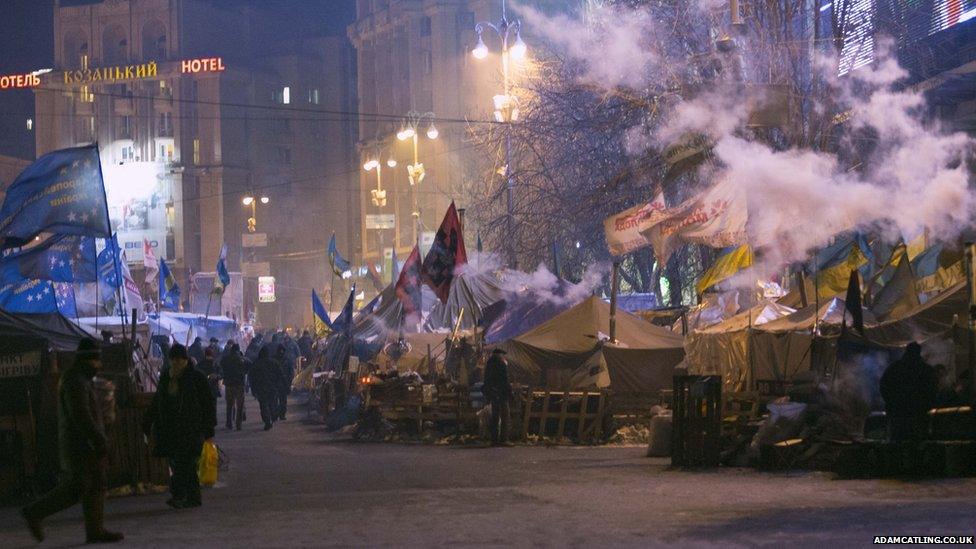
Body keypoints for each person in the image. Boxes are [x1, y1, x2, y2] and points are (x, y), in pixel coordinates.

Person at [21, 339, 123, 544]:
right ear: (89, 360)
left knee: (95, 485)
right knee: (79, 486)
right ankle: (34, 512)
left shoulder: (81, 379)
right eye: (97, 361)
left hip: (84, 443)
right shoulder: (75, 381)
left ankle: (95, 530)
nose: (99, 366)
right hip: (80, 445)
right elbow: (82, 416)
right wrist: (99, 440)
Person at [142, 344, 216, 509]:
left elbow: (207, 404)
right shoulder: (167, 379)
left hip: (192, 429)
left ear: (185, 360)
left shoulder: (196, 378)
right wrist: (147, 422)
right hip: (171, 430)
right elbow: (157, 402)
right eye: (173, 359)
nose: (176, 363)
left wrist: (209, 429)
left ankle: (179, 495)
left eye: (179, 360)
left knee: (185, 464)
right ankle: (192, 498)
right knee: (182, 465)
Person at [880, 342, 937, 442]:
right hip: (919, 413)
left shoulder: (894, 368)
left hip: (897, 413)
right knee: (919, 443)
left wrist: (891, 403)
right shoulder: (926, 369)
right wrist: (926, 405)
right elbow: (932, 390)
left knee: (898, 442)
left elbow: (884, 387)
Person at [483, 348, 514, 446]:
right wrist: (510, 392)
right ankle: (504, 439)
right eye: (502, 354)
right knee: (505, 416)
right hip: (501, 394)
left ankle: (494, 439)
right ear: (499, 354)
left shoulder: (489, 364)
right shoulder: (501, 364)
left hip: (493, 393)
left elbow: (487, 380)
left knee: (495, 416)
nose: (503, 356)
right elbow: (505, 380)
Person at [250, 347, 285, 430]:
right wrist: (283, 385)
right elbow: (281, 374)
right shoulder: (274, 362)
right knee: (272, 403)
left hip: (261, 388)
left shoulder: (256, 364)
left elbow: (252, 378)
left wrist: (253, 389)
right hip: (272, 387)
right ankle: (273, 416)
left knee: (263, 405)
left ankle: (267, 421)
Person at [221, 344, 250, 430]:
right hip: (239, 384)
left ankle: (229, 422)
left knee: (229, 404)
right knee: (240, 405)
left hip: (229, 384)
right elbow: (249, 364)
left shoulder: (225, 359)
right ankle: (238, 424)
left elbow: (220, 365)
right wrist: (244, 372)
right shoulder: (242, 359)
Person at [274, 344, 293, 420]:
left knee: (279, 400)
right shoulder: (287, 360)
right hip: (282, 383)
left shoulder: (274, 359)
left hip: (279, 383)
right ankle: (280, 414)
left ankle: (277, 415)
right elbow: (291, 372)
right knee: (281, 400)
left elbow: (291, 372)